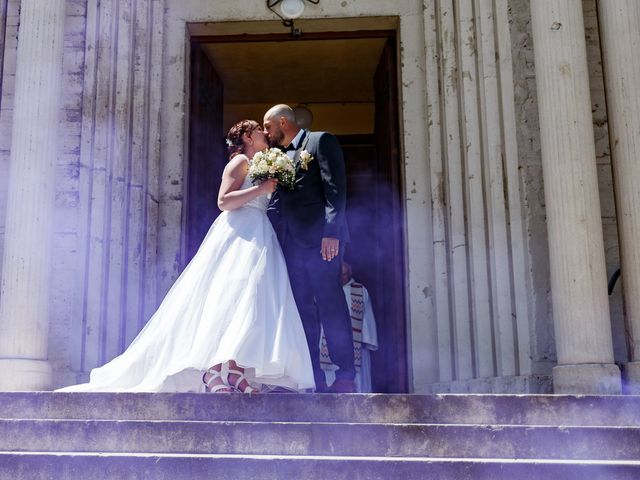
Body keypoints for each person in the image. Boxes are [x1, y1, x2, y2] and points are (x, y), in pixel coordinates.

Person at [58, 120, 315, 394]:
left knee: (254, 298)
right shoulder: (239, 161)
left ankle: (235, 370)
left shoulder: (261, 163)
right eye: (258, 130)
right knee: (233, 297)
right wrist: (260, 190)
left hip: (261, 232)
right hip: (240, 234)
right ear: (248, 138)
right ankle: (212, 371)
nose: (265, 133)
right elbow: (223, 201)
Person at [263, 104, 356, 393]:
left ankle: (345, 377)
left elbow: (335, 190)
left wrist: (332, 234)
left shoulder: (319, 141)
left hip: (321, 244)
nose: (266, 134)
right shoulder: (276, 157)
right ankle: (312, 376)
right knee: (302, 312)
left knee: (331, 307)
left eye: (268, 127)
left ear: (282, 122)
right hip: (290, 246)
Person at [320, 261, 379, 393]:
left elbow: (366, 317)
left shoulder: (360, 290)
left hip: (356, 346)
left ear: (350, 273)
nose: (343, 277)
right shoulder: (326, 290)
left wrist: (366, 340)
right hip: (329, 345)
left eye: (345, 274)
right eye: (340, 274)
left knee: (357, 384)